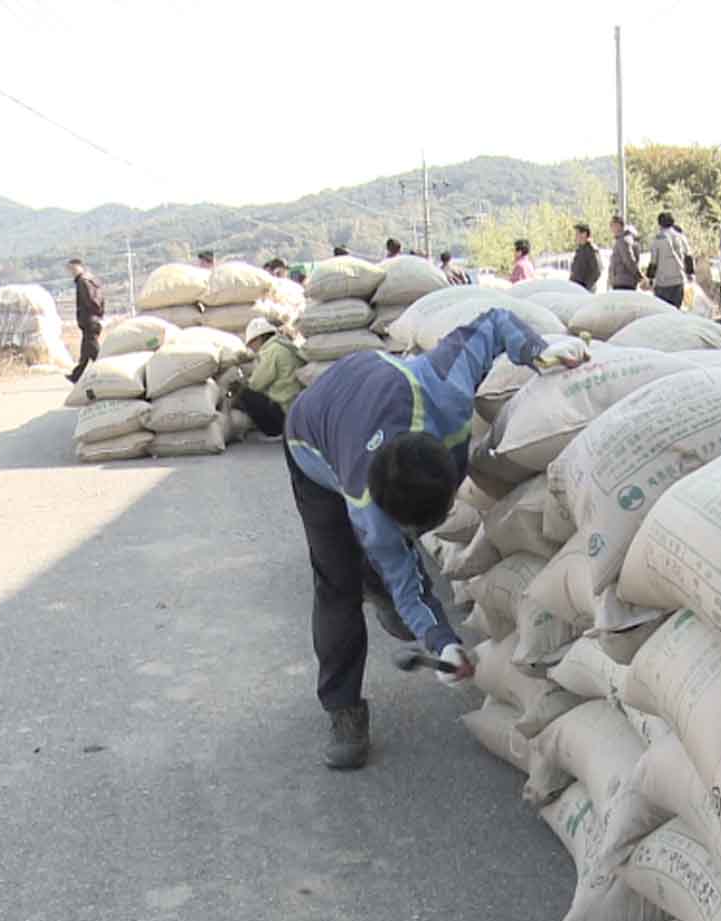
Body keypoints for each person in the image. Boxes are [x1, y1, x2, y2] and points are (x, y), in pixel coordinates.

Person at [282, 312, 589, 770]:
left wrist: (536, 351)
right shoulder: (369, 508)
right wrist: (443, 641)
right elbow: (407, 576)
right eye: (408, 530)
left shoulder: (446, 392)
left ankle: (376, 578)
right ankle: (343, 708)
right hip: (311, 440)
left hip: (370, 386)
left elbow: (494, 322)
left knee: (387, 567)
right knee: (336, 583)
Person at [237, 317, 303, 439]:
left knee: (246, 394)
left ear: (259, 338)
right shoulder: (283, 346)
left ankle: (274, 432)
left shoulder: (272, 351)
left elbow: (256, 384)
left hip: (284, 409)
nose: (251, 348)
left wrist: (242, 383)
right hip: (295, 406)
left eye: (251, 343)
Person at [65, 258, 105, 383]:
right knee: (86, 351)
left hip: (89, 320)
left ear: (80, 267)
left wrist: (91, 314)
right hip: (94, 319)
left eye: (73, 269)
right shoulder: (92, 280)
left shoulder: (83, 281)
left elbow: (90, 301)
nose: (71, 272)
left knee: (93, 350)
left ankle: (105, 371)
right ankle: (77, 375)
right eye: (70, 270)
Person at [644, 212, 692, 309]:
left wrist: (650, 277)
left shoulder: (658, 239)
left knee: (663, 311)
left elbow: (653, 261)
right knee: (676, 309)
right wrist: (690, 273)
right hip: (678, 279)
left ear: (659, 224)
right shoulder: (681, 237)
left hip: (663, 282)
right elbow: (688, 256)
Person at [606, 215, 642, 291]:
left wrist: (640, 277)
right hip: (620, 281)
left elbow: (629, 261)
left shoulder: (623, 240)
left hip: (624, 283)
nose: (611, 228)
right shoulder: (621, 240)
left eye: (612, 225)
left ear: (618, 225)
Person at [569, 224, 600, 291]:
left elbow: (597, 271)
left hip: (584, 289)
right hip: (576, 288)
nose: (575, 236)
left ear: (584, 234)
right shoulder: (580, 249)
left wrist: (586, 287)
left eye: (577, 234)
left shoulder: (591, 249)